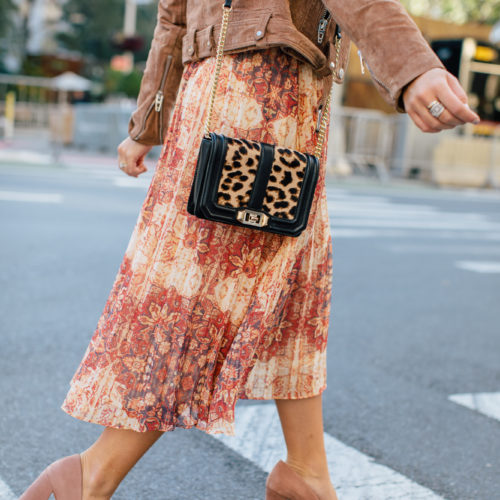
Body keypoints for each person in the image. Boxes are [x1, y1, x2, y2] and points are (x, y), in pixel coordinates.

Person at [20, 1, 480, 499]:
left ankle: (308, 472)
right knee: (203, 298)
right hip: (261, 95)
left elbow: (172, 17)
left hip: (241, 97)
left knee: (294, 291)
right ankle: (93, 473)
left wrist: (148, 122)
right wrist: (410, 65)